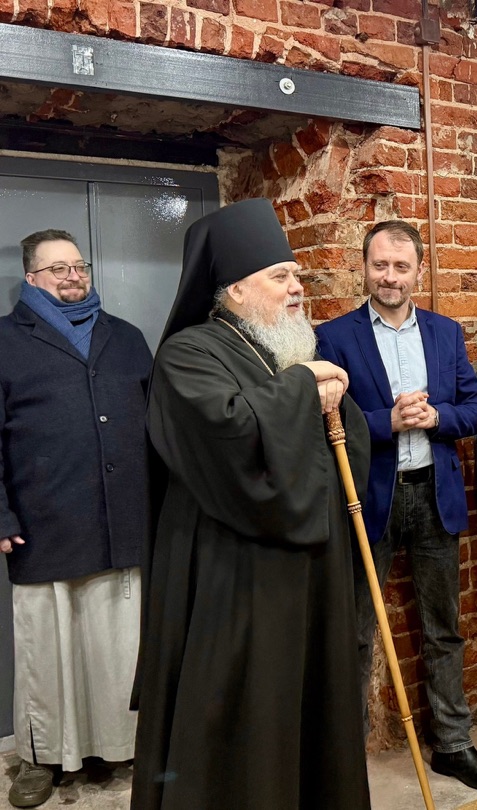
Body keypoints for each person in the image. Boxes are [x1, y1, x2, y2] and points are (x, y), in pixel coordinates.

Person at [130, 198, 372, 810]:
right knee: (245, 715)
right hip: (234, 574)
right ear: (235, 288)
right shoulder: (187, 354)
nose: (297, 288)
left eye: (296, 275)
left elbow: (339, 441)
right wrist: (305, 386)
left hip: (308, 572)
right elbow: (229, 433)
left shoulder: (284, 348)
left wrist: (333, 398)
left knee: (310, 707)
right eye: (280, 276)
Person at [314, 220, 477, 793]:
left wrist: (438, 417)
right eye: (380, 265)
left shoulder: (446, 333)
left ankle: (453, 744)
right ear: (363, 267)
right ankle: (342, 757)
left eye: (401, 267)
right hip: (367, 499)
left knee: (444, 628)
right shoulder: (334, 337)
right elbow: (323, 423)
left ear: (419, 271)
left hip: (434, 494)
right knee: (355, 632)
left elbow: (476, 410)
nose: (390, 277)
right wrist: (387, 422)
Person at [0, 230, 151, 809]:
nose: (73, 276)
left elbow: (158, 424)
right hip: (44, 523)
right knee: (47, 653)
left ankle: (119, 745)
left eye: (78, 266)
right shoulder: (5, 340)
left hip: (122, 519)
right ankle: (40, 757)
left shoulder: (126, 337)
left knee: (117, 647)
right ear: (31, 278)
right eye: (57, 268)